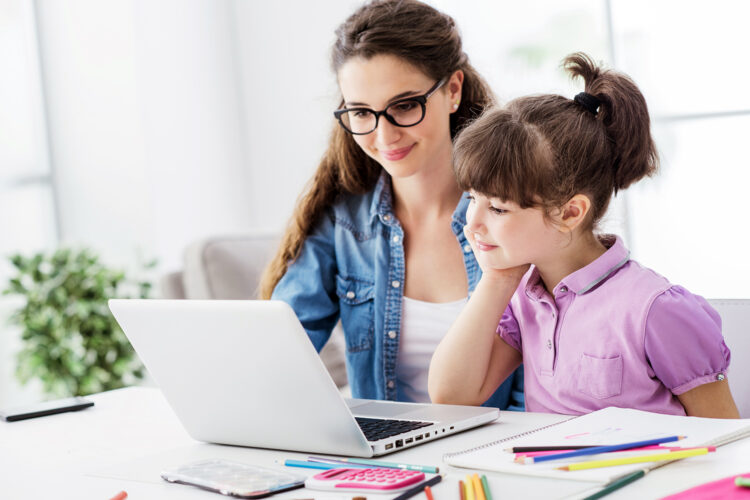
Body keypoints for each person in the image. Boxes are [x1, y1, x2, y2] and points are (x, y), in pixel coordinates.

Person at [428, 52, 739, 418]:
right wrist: (496, 279)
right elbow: (451, 395)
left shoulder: (656, 309)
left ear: (570, 213)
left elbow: (725, 438)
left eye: (497, 208)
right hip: (549, 472)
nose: (471, 222)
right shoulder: (522, 297)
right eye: (472, 198)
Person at [259, 0, 524, 408]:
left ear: (452, 90)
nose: (384, 136)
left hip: (499, 455)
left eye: (404, 106)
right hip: (386, 465)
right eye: (362, 112)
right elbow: (275, 354)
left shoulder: (520, 212)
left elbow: (546, 385)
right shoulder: (343, 222)